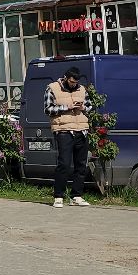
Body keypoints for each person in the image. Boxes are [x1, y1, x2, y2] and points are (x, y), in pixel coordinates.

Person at [46, 65, 93, 208]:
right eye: (72, 82)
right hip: (64, 130)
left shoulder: (82, 89)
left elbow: (90, 106)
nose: (74, 84)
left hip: (82, 130)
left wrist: (82, 107)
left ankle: (76, 196)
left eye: (76, 83)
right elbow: (48, 109)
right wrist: (67, 107)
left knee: (81, 165)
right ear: (66, 78)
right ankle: (58, 196)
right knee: (64, 164)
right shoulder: (52, 88)